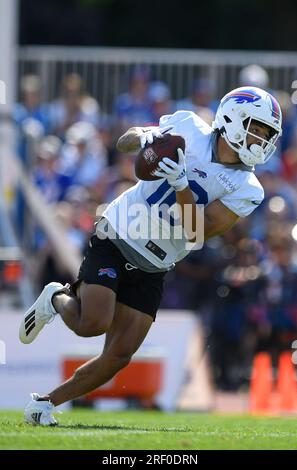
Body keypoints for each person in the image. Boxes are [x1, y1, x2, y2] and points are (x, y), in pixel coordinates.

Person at [19, 86, 282, 425]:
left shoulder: (249, 188)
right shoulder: (189, 126)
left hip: (156, 262)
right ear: (232, 118)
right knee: (92, 324)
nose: (260, 140)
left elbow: (196, 232)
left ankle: (44, 404)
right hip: (118, 233)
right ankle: (56, 296)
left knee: (119, 355)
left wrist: (181, 183)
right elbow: (124, 142)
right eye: (256, 129)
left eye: (267, 135)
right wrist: (145, 136)